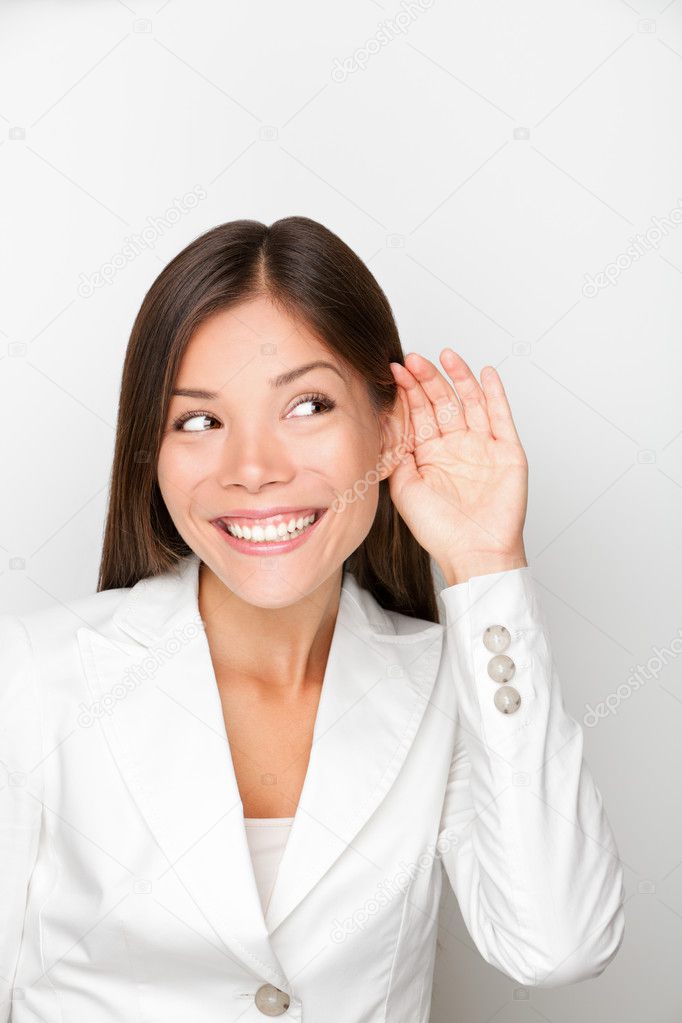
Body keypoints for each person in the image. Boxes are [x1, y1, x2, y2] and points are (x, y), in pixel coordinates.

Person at [0, 217, 625, 1022]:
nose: (253, 468)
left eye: (306, 404)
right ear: (151, 453)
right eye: (198, 420)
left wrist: (485, 564)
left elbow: (558, 942)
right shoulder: (29, 678)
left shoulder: (453, 681)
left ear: (391, 427)